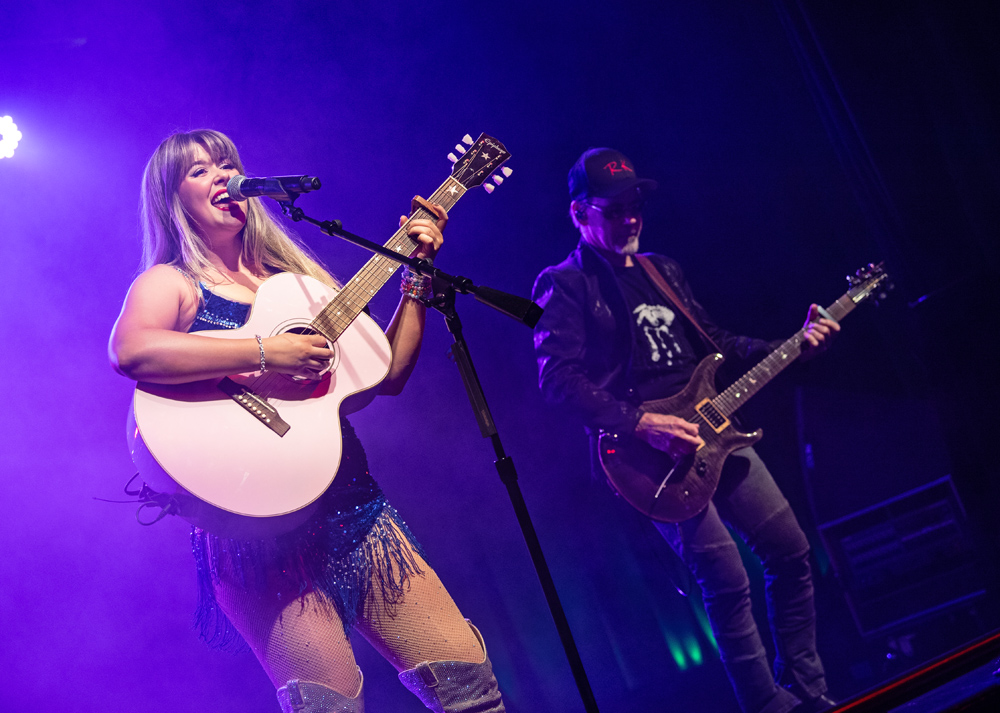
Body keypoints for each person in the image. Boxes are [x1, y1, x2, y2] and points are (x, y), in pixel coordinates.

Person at [109, 129, 506, 713]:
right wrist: (267, 352)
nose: (223, 176)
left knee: (471, 691)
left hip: (355, 509)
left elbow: (388, 374)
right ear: (172, 198)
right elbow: (132, 351)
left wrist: (416, 276)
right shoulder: (170, 281)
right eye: (200, 170)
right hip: (253, 537)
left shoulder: (296, 284)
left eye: (228, 163)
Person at [531, 147, 840, 713]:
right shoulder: (565, 284)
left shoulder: (662, 270)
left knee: (791, 551)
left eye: (636, 206)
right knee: (727, 581)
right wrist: (640, 422)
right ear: (579, 213)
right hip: (648, 458)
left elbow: (716, 343)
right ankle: (767, 706)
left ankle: (808, 690)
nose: (631, 219)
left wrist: (792, 346)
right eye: (615, 210)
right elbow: (558, 380)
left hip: (716, 431)